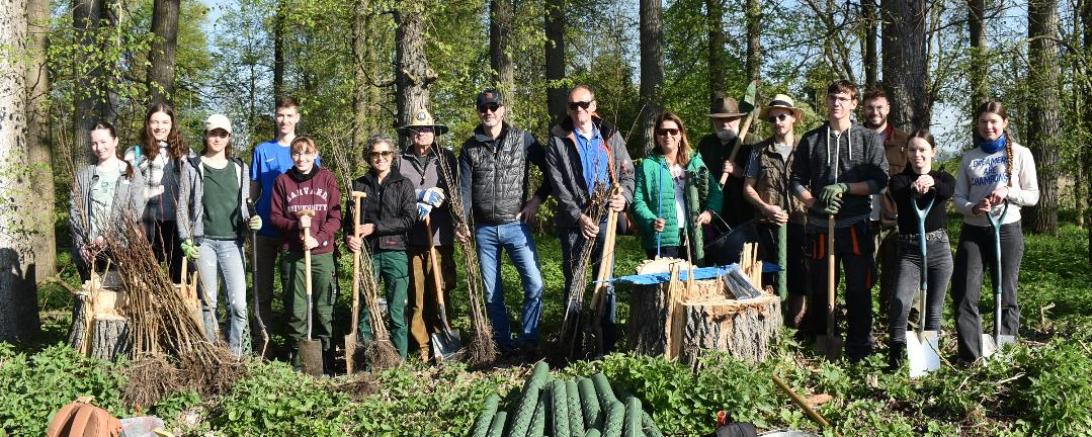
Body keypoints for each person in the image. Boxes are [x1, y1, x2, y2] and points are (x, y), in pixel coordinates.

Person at [790, 80, 889, 361]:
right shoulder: (812, 140)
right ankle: (824, 343)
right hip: (821, 227)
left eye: (843, 99)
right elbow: (796, 181)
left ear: (854, 104)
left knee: (860, 287)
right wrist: (813, 202)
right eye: (833, 98)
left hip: (856, 225)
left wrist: (847, 188)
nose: (837, 103)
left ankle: (860, 347)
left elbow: (880, 180)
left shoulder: (867, 139)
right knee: (821, 289)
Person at [458, 89, 552, 353]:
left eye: (493, 107)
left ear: (502, 110)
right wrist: (462, 221)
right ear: (478, 112)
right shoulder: (469, 148)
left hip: (516, 226)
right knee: (491, 293)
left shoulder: (524, 140)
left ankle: (530, 340)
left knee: (535, 284)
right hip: (484, 230)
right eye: (483, 108)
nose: (489, 112)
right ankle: (502, 344)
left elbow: (551, 171)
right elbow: (464, 189)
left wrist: (536, 201)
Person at [544, 84, 635, 354]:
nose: (579, 110)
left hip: (606, 220)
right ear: (568, 110)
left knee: (605, 283)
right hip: (575, 226)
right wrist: (579, 216)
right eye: (574, 106)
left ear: (593, 106)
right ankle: (571, 345)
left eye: (584, 104)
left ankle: (605, 346)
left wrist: (624, 198)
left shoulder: (611, 136)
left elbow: (627, 173)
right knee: (575, 285)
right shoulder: (558, 140)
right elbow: (558, 185)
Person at [950, 101, 1039, 363]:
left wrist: (1007, 192)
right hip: (973, 232)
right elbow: (958, 198)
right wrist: (974, 207)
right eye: (983, 122)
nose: (988, 126)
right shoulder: (970, 157)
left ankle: (1006, 355)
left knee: (1006, 294)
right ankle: (970, 356)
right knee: (965, 293)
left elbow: (1032, 196)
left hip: (1007, 230)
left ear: (1004, 123)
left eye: (993, 122)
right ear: (977, 125)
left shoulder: (1021, 154)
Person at [176, 114, 263, 355]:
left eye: (222, 134)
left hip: (232, 244)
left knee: (238, 306)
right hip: (203, 243)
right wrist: (185, 239)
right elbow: (182, 206)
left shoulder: (239, 168)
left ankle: (234, 357)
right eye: (213, 133)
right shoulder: (192, 166)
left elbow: (245, 206)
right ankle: (211, 354)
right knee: (209, 303)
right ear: (205, 135)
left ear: (229, 138)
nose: (217, 138)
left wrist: (252, 220)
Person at [250, 96, 317, 354]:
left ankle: (296, 348)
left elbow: (315, 190)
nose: (285, 120)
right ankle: (263, 346)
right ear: (275, 117)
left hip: (295, 234)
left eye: (290, 115)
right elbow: (253, 192)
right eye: (281, 115)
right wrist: (250, 218)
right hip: (266, 231)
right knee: (262, 292)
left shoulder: (306, 149)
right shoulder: (262, 151)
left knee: (295, 293)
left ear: (297, 118)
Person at [269, 136, 341, 369]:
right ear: (292, 155)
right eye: (297, 153)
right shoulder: (283, 181)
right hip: (293, 254)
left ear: (315, 154)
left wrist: (317, 239)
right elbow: (275, 217)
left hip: (321, 254)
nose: (302, 158)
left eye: (307, 153)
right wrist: (296, 228)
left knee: (323, 309)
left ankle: (325, 362)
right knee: (297, 310)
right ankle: (298, 362)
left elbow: (335, 217)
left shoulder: (327, 179)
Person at [886, 130, 955, 370]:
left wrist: (932, 182)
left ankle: (927, 363)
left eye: (923, 149)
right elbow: (900, 194)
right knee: (900, 301)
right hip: (910, 250)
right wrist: (914, 186)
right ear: (906, 152)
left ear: (933, 152)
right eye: (913, 150)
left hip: (939, 249)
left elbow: (947, 191)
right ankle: (895, 355)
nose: (918, 155)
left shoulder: (943, 177)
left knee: (933, 308)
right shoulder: (899, 180)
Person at [742, 94, 810, 328]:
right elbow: (748, 187)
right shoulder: (757, 150)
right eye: (772, 119)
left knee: (800, 277)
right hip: (766, 225)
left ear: (793, 118)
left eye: (782, 116)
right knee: (768, 275)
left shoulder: (806, 148)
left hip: (801, 223)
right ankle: (770, 328)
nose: (777, 122)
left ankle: (795, 329)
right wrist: (766, 207)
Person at [346, 134, 416, 359]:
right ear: (369, 157)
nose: (380, 158)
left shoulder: (403, 184)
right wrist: (350, 238)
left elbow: (408, 220)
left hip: (396, 252)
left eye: (385, 153)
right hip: (368, 254)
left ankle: (399, 363)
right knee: (365, 309)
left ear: (392, 155)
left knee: (396, 312)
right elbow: (351, 223)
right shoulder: (359, 185)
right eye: (375, 153)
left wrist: (375, 227)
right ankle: (365, 362)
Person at [395, 108, 458, 361]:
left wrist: (438, 197)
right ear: (410, 133)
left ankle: (443, 347)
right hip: (411, 239)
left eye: (427, 129)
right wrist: (417, 198)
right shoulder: (399, 161)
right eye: (417, 130)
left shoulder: (446, 158)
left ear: (434, 133)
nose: (422, 134)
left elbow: (455, 192)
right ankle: (421, 350)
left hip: (440, 237)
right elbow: (395, 195)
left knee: (441, 291)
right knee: (417, 299)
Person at [631, 111, 722, 262]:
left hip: (694, 237)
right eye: (662, 131)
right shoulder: (647, 166)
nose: (667, 135)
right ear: (656, 136)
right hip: (663, 238)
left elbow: (715, 192)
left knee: (692, 283)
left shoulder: (694, 162)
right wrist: (650, 220)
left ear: (680, 134)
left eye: (673, 131)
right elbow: (637, 201)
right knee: (667, 285)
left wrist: (709, 212)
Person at [123, 103, 192, 283]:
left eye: (164, 122)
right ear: (147, 123)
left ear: (172, 125)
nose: (159, 127)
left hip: (178, 226)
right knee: (145, 280)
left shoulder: (185, 154)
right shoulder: (134, 153)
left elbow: (194, 190)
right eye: (155, 122)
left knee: (179, 280)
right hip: (146, 224)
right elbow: (125, 193)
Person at [70, 121, 145, 282]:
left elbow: (136, 212)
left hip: (122, 250)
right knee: (94, 304)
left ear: (115, 141)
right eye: (94, 143)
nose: (99, 147)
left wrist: (108, 237)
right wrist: (81, 245)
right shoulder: (83, 177)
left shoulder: (131, 173)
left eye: (103, 141)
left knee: (117, 302)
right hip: (91, 254)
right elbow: (75, 214)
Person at [861, 88, 910, 319]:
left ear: (888, 109)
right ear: (863, 109)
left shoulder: (904, 141)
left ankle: (890, 324)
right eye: (870, 107)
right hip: (862, 219)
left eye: (879, 107)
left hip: (894, 220)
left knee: (895, 275)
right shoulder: (854, 138)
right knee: (863, 275)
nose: (875, 112)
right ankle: (864, 321)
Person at [698, 94, 757, 265]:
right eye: (719, 120)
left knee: (742, 268)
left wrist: (740, 172)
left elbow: (764, 181)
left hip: (742, 219)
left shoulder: (751, 143)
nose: (725, 123)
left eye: (730, 119)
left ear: (738, 120)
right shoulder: (706, 144)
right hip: (711, 218)